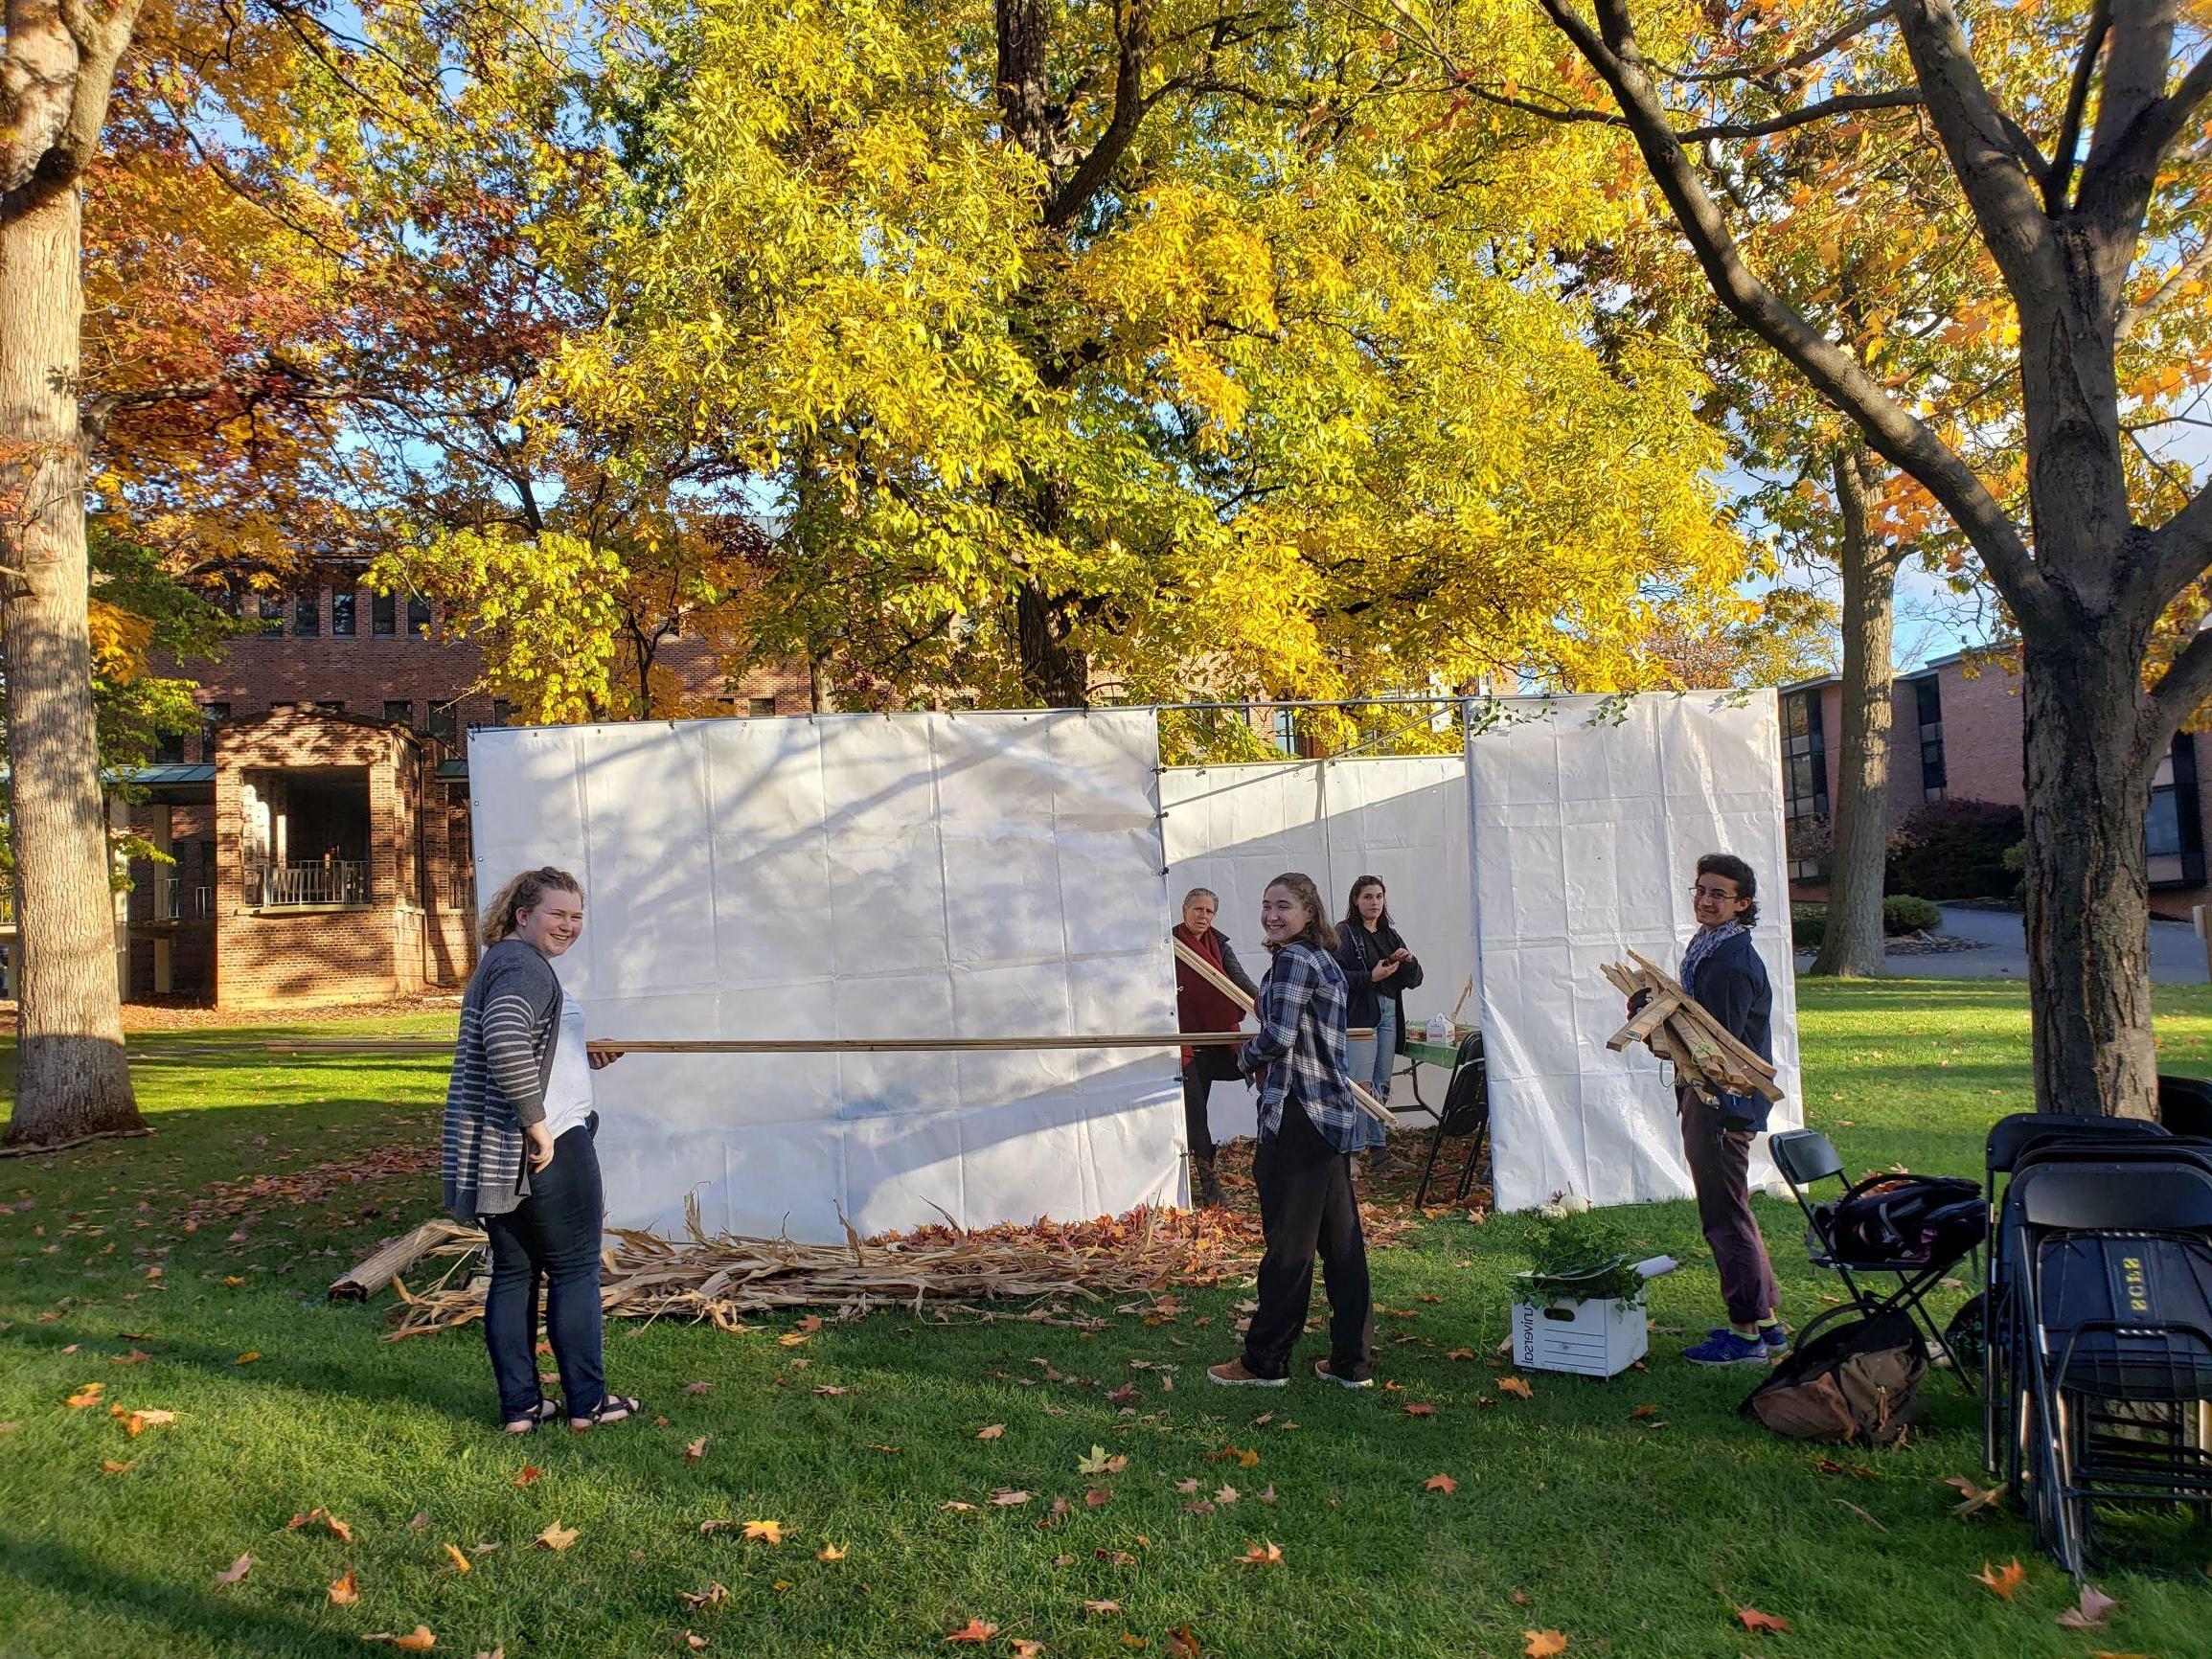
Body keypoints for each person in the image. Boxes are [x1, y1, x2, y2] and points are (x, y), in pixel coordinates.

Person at [442, 866, 639, 1432]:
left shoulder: (504, 963)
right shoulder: (524, 965)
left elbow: (527, 1041)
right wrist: (538, 1122)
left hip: (496, 1148)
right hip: (548, 1144)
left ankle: (522, 1407)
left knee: (515, 1273)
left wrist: (579, 1054)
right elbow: (505, 1035)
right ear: (523, 915)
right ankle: (588, 1404)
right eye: (558, 914)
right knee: (575, 1270)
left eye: (577, 916)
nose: (570, 925)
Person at [1207, 872, 1380, 1390]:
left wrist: (1242, 1057)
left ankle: (1264, 1362)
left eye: (1283, 905)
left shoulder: (1293, 960)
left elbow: (1277, 1037)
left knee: (1289, 1245)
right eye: (1266, 905)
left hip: (1300, 1118)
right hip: (1329, 1115)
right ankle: (1353, 1362)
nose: (1271, 915)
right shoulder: (1322, 959)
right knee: (1342, 1245)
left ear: (1309, 912)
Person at [1653, 852, 1783, 1368]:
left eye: (1718, 894)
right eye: (1700, 890)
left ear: (1743, 904)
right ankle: (1767, 1327)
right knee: (1734, 1212)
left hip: (1721, 1102)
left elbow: (1715, 1050)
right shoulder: (1713, 945)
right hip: (1712, 1098)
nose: (1705, 901)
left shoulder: (1730, 962)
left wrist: (1655, 1023)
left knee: (1724, 1217)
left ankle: (1745, 1334)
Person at [1172, 887, 1260, 1207]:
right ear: (1184, 910)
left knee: (1263, 1065)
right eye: (1197, 909)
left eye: (1209, 912)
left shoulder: (1219, 945)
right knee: (1196, 1115)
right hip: (1185, 1044)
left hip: (1219, 1041)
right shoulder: (1170, 944)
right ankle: (1209, 1186)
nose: (1203, 916)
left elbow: (1238, 980)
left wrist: (1264, 1004)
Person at [1334, 875, 1423, 1105]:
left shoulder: (1390, 934)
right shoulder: (1345, 932)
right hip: (1361, 1014)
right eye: (1368, 897)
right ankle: (1357, 1142)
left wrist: (1408, 961)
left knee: (1382, 1081)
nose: (1374, 902)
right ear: (1356, 900)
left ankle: (1377, 1139)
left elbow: (1414, 980)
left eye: (1379, 897)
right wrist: (1370, 977)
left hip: (1389, 1012)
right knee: (1360, 1082)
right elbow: (1334, 977)